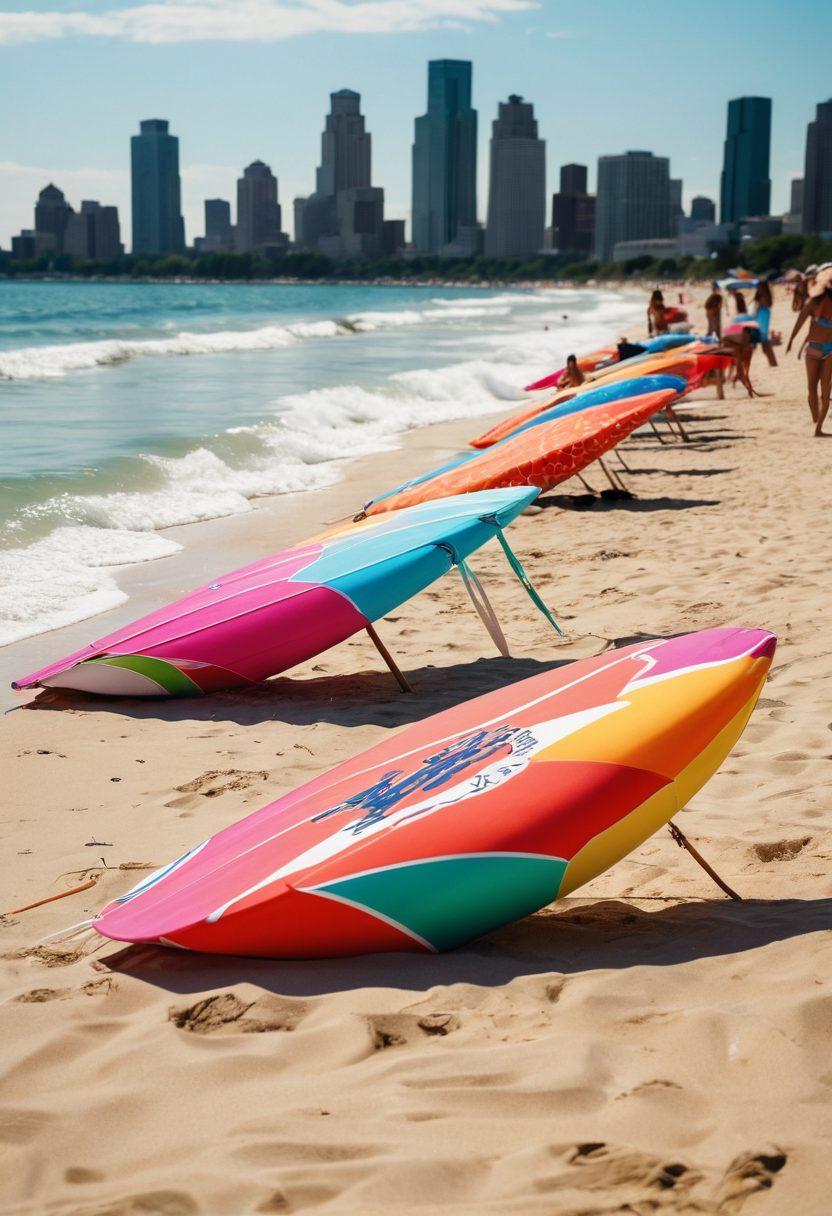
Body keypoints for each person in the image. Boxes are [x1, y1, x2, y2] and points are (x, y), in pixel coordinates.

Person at [786, 264, 832, 436]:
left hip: (814, 347)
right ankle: (817, 426)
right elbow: (801, 322)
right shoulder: (813, 302)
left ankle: (816, 424)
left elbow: (800, 322)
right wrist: (791, 341)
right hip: (828, 349)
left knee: (812, 387)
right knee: (824, 389)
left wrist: (791, 341)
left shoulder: (813, 303)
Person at [753, 277, 778, 367]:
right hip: (761, 314)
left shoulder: (765, 295)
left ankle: (773, 363)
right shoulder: (762, 294)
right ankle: (772, 362)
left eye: (759, 286)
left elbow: (766, 304)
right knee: (763, 340)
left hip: (763, 314)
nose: (758, 287)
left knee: (763, 339)